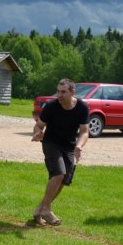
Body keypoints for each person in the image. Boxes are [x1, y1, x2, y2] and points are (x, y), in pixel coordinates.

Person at [31, 78, 89, 227]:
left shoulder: (81, 107)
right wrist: (38, 133)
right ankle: (47, 209)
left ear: (72, 92)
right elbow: (39, 126)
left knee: (64, 180)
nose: (59, 95)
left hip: (69, 147)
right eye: (58, 91)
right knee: (58, 174)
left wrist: (79, 147)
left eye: (63, 92)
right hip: (51, 143)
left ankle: (39, 210)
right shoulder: (51, 106)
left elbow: (84, 131)